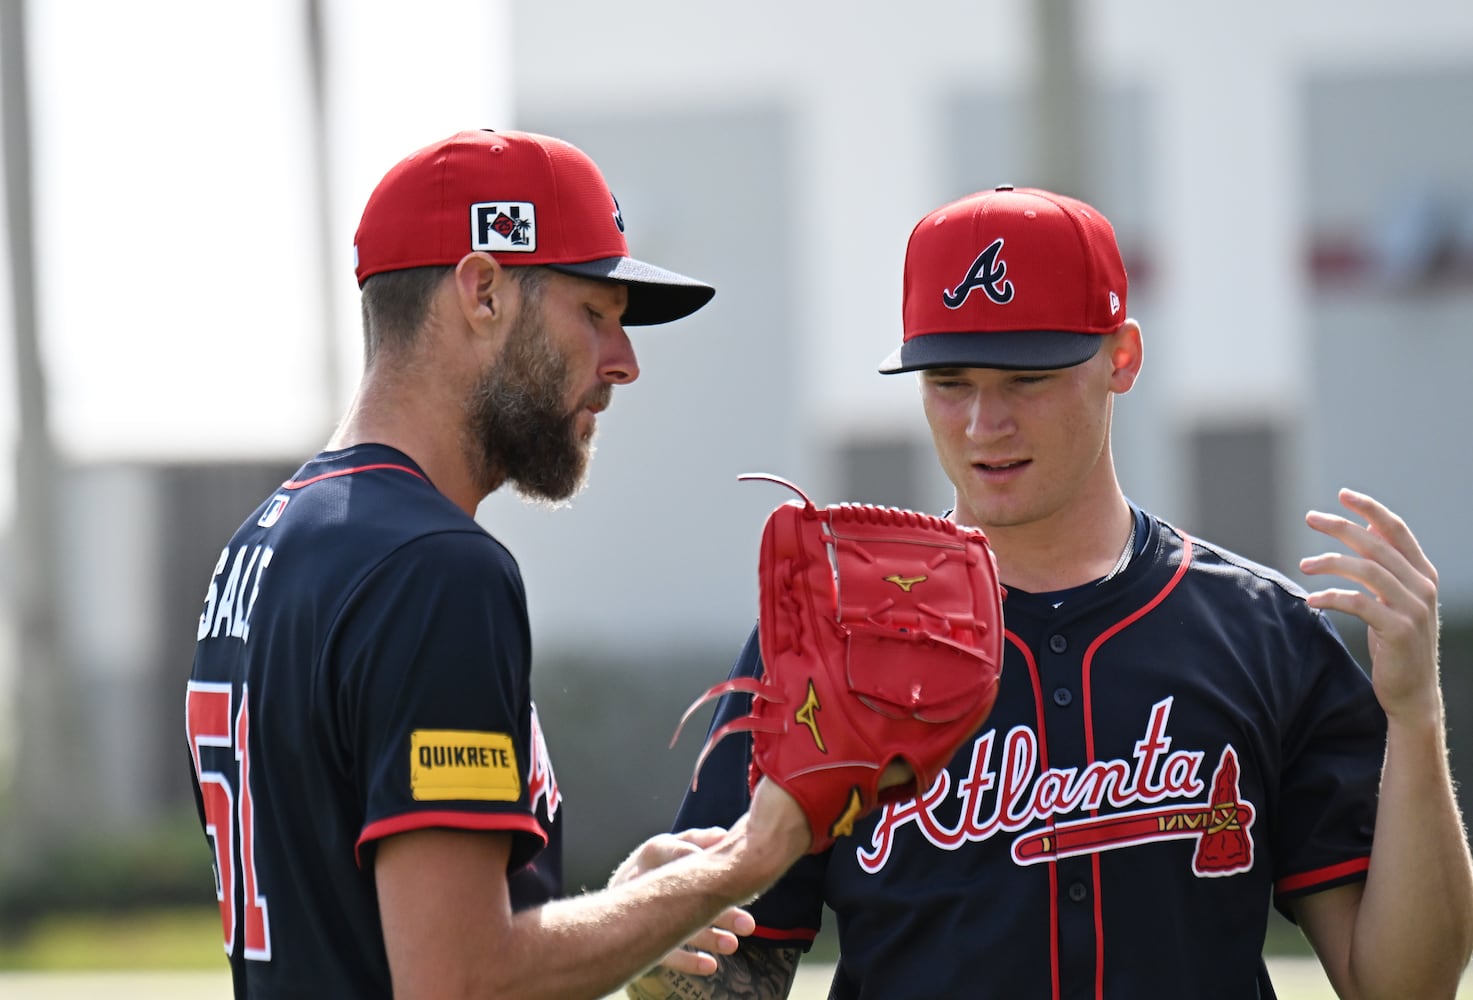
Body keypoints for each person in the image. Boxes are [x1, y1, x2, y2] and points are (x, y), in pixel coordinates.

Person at [629, 185, 1473, 999]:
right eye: (948, 381)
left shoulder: (1261, 634)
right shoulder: (827, 643)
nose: (981, 424)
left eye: (1026, 379)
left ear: (1122, 359)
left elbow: (1407, 986)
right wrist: (647, 939)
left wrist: (1415, 715)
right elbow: (718, 987)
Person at [184, 128, 814, 999]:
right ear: (482, 290)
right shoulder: (434, 568)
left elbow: (373, 923)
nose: (623, 363)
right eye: (593, 314)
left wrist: (628, 907)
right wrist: (746, 857)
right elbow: (461, 981)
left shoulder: (269, 540)